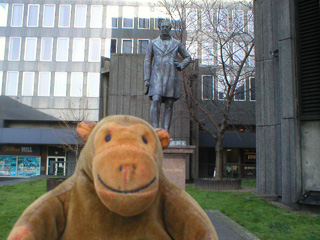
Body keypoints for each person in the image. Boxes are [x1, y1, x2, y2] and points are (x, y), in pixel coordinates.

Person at [144, 19, 191, 131]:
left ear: (170, 29)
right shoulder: (153, 43)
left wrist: (181, 65)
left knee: (169, 104)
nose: (164, 29)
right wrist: (147, 78)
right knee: (156, 100)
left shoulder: (176, 44)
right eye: (163, 27)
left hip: (171, 77)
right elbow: (147, 61)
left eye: (167, 27)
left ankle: (165, 132)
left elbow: (188, 57)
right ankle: (155, 130)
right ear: (160, 28)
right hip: (157, 77)